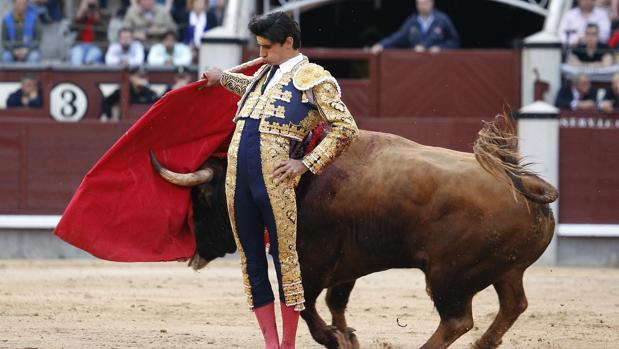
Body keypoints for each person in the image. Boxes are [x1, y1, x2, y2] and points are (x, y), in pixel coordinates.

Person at [203, 11, 358, 349]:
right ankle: (271, 344)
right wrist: (222, 78)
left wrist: (306, 163)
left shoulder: (314, 77)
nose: (260, 54)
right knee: (251, 261)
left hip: (275, 182)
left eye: (266, 47)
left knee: (286, 263)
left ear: (288, 42)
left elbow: (347, 128)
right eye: (258, 47)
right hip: (238, 179)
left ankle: (287, 344)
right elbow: (254, 93)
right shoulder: (264, 74)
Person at [370, 0, 459, 54]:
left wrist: (440, 48)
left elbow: (454, 41)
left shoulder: (442, 19)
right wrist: (382, 45)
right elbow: (398, 36)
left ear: (432, 3)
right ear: (417, 5)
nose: (423, 6)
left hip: (438, 62)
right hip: (418, 64)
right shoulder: (412, 21)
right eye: (420, 3)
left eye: (426, 2)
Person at [70, 0, 107, 65]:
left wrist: (96, 11)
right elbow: (72, 28)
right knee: (76, 60)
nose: (90, 7)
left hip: (96, 46)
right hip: (79, 45)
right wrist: (81, 10)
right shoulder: (81, 17)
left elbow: (104, 30)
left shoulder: (104, 15)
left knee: (89, 60)